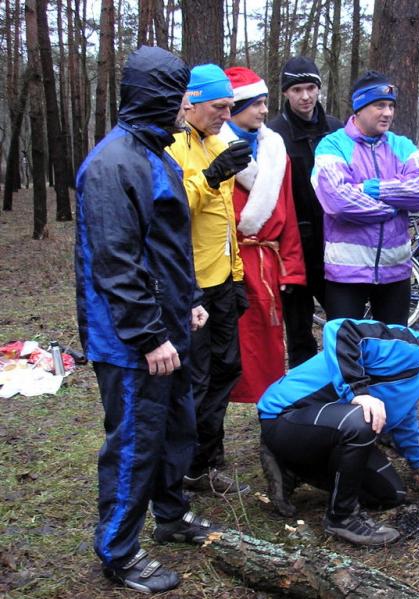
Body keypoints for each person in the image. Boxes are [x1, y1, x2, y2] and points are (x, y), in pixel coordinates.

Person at [75, 46, 218, 594]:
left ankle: (172, 515)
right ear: (157, 94)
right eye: (178, 93)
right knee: (135, 442)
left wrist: (188, 301)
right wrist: (149, 334)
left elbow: (164, 246)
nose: (186, 105)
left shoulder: (154, 153)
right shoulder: (114, 163)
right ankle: (118, 551)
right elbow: (116, 260)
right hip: (130, 338)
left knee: (175, 429)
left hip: (168, 325)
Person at [256, 299, 419, 545]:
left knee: (390, 494)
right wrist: (360, 393)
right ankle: (342, 519)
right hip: (285, 416)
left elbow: (404, 414)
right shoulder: (407, 346)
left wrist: (418, 462)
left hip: (322, 426)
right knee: (361, 419)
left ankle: (292, 469)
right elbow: (339, 329)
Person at [167, 64, 253, 495]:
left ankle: (206, 459)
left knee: (227, 368)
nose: (225, 113)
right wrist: (213, 174)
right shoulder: (172, 148)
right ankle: (184, 467)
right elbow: (172, 206)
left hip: (221, 280)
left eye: (230, 107)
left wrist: (238, 278)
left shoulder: (220, 143)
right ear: (191, 102)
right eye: (218, 106)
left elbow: (226, 221)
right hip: (188, 285)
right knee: (195, 377)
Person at [312, 70, 419, 325]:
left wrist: (371, 189)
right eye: (379, 105)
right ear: (359, 108)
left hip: (395, 271)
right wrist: (393, 207)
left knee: (392, 351)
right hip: (346, 274)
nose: (387, 113)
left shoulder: (402, 145)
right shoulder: (332, 146)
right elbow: (338, 201)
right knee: (346, 352)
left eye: (391, 106)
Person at [217, 66, 306, 403]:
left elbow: (289, 210)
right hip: (227, 263)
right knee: (228, 346)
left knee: (268, 346)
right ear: (237, 107)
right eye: (256, 103)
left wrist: (292, 268)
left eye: (266, 102)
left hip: (266, 262)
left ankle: (269, 410)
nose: (265, 110)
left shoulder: (274, 148)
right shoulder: (213, 146)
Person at [267, 56, 344, 367]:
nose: (305, 96)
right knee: (298, 330)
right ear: (286, 92)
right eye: (297, 89)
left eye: (311, 87)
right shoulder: (273, 134)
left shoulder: (337, 130)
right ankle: (303, 397)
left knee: (342, 322)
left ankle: (346, 384)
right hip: (292, 246)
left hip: (336, 243)